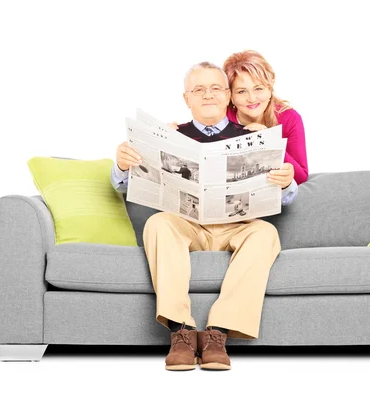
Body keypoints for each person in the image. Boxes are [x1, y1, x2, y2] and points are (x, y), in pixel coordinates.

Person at [110, 62, 298, 371]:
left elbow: (289, 197)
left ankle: (217, 334)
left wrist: (287, 179)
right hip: (186, 224)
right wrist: (121, 163)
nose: (207, 95)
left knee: (265, 233)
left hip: (236, 224)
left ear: (227, 96)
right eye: (198, 89)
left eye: (215, 88)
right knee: (157, 223)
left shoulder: (253, 136)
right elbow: (122, 184)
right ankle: (181, 332)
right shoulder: (167, 136)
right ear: (187, 99)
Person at [223, 50, 309, 185]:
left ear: (270, 88)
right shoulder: (221, 117)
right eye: (241, 91)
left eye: (258, 89)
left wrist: (270, 142)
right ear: (230, 96)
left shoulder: (290, 119)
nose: (251, 99)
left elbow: (302, 177)